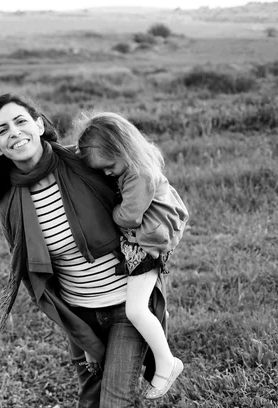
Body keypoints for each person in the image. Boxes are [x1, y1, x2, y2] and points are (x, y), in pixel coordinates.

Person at [0, 93, 169, 407]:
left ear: (39, 124)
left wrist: (158, 239)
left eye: (20, 121)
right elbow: (42, 277)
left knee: (115, 401)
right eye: (2, 130)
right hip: (80, 315)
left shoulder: (87, 163)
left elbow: (149, 183)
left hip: (127, 305)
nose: (14, 132)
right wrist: (81, 336)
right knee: (90, 400)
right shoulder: (10, 205)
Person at [75, 111, 189, 399]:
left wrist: (111, 211)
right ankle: (151, 361)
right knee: (133, 308)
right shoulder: (134, 166)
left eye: (110, 166)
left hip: (146, 247)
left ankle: (167, 362)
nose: (107, 173)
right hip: (143, 245)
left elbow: (129, 217)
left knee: (136, 310)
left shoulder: (139, 175)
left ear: (124, 149)